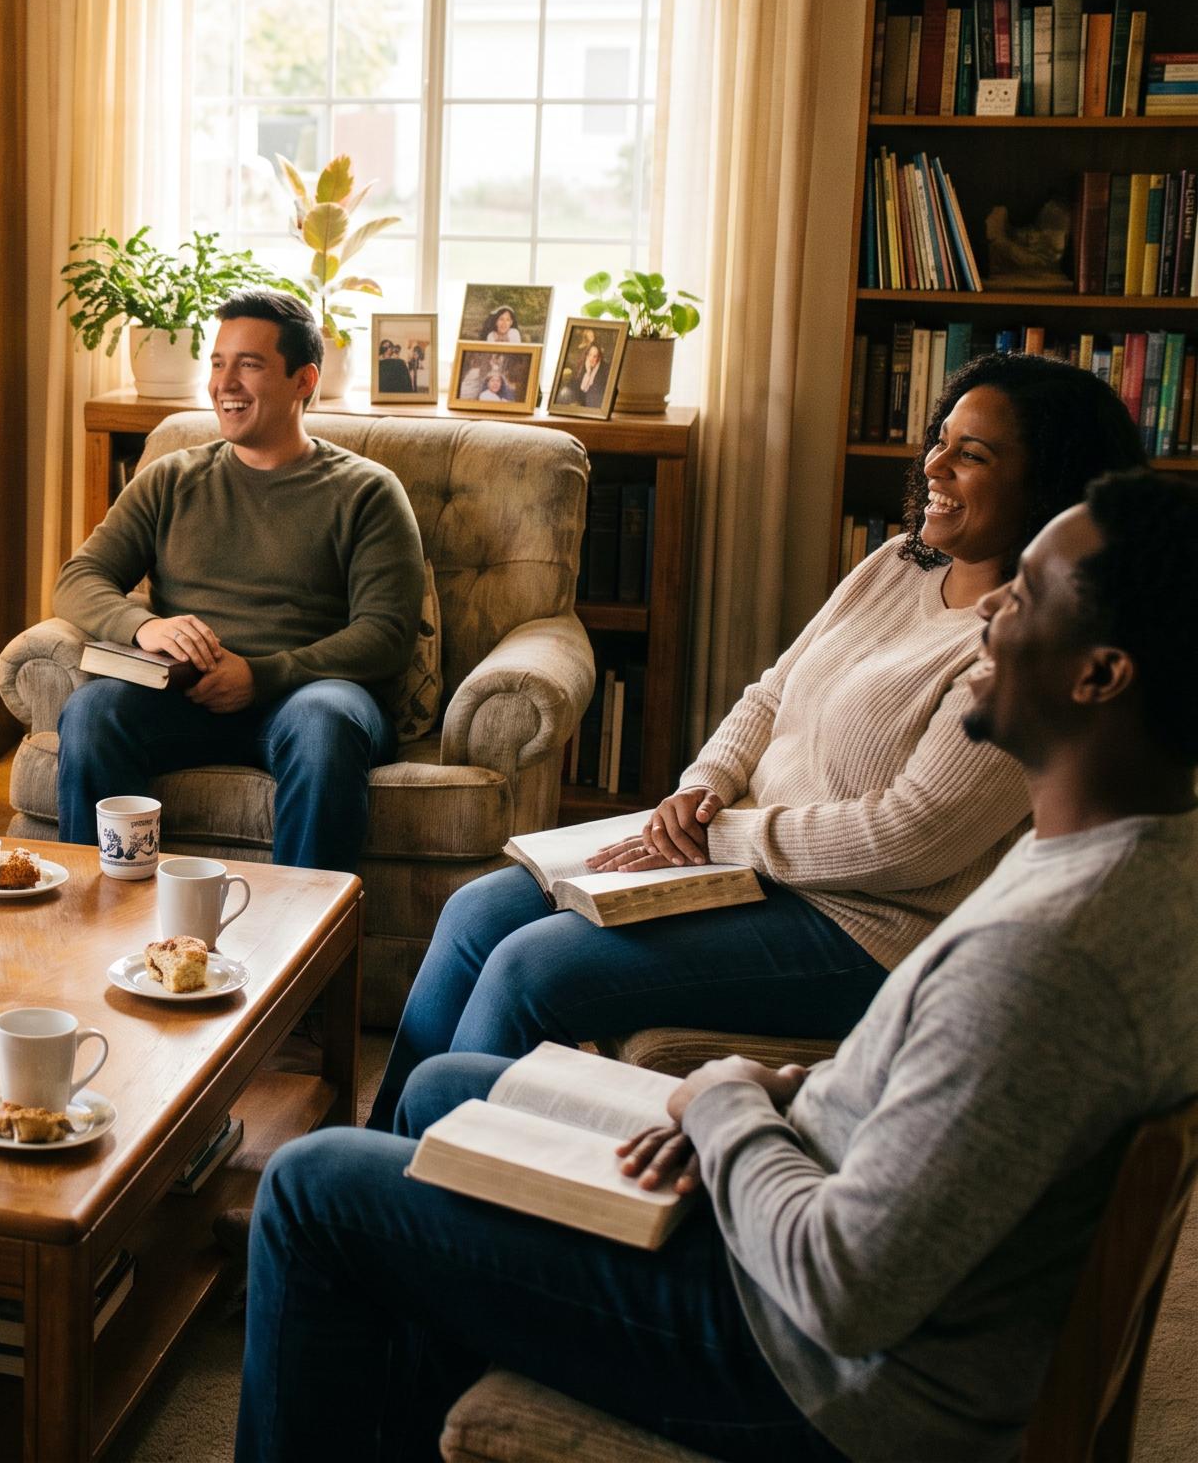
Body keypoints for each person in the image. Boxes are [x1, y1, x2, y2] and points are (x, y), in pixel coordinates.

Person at [237, 467, 1198, 1462]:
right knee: (442, 1086)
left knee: (315, 1184)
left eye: (1026, 592)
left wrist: (724, 1104)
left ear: (1099, 674)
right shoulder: (1118, 850)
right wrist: (785, 1090)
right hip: (801, 1211)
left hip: (812, 1370)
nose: (988, 607)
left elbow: (844, 1288)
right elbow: (941, 1093)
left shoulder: (1046, 959)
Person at [367, 353, 1145, 1131]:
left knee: (529, 970)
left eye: (972, 454)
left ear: (1052, 483)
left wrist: (720, 836)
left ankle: (428, 1209)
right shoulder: (899, 563)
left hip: (861, 925)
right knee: (477, 912)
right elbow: (774, 690)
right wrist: (698, 791)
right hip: (741, 862)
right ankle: (382, 1166)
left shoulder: (1029, 652)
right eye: (940, 439)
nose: (935, 462)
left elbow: (911, 839)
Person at [52, 288, 423, 876]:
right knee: (93, 713)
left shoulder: (367, 492)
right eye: (219, 363)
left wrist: (262, 675)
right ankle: (101, 925)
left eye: (249, 365)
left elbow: (386, 635)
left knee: (326, 724)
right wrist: (144, 626)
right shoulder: (170, 479)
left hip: (311, 697)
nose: (226, 383)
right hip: (186, 701)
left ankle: (304, 947)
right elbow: (80, 578)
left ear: (304, 380)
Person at [555, 334, 609, 409]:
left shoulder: (603, 369)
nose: (591, 359)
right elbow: (572, 385)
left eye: (595, 356)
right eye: (590, 355)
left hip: (593, 401)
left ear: (599, 358)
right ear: (586, 356)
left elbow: (595, 391)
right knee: (564, 392)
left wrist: (590, 373)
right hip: (580, 398)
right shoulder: (583, 366)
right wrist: (587, 372)